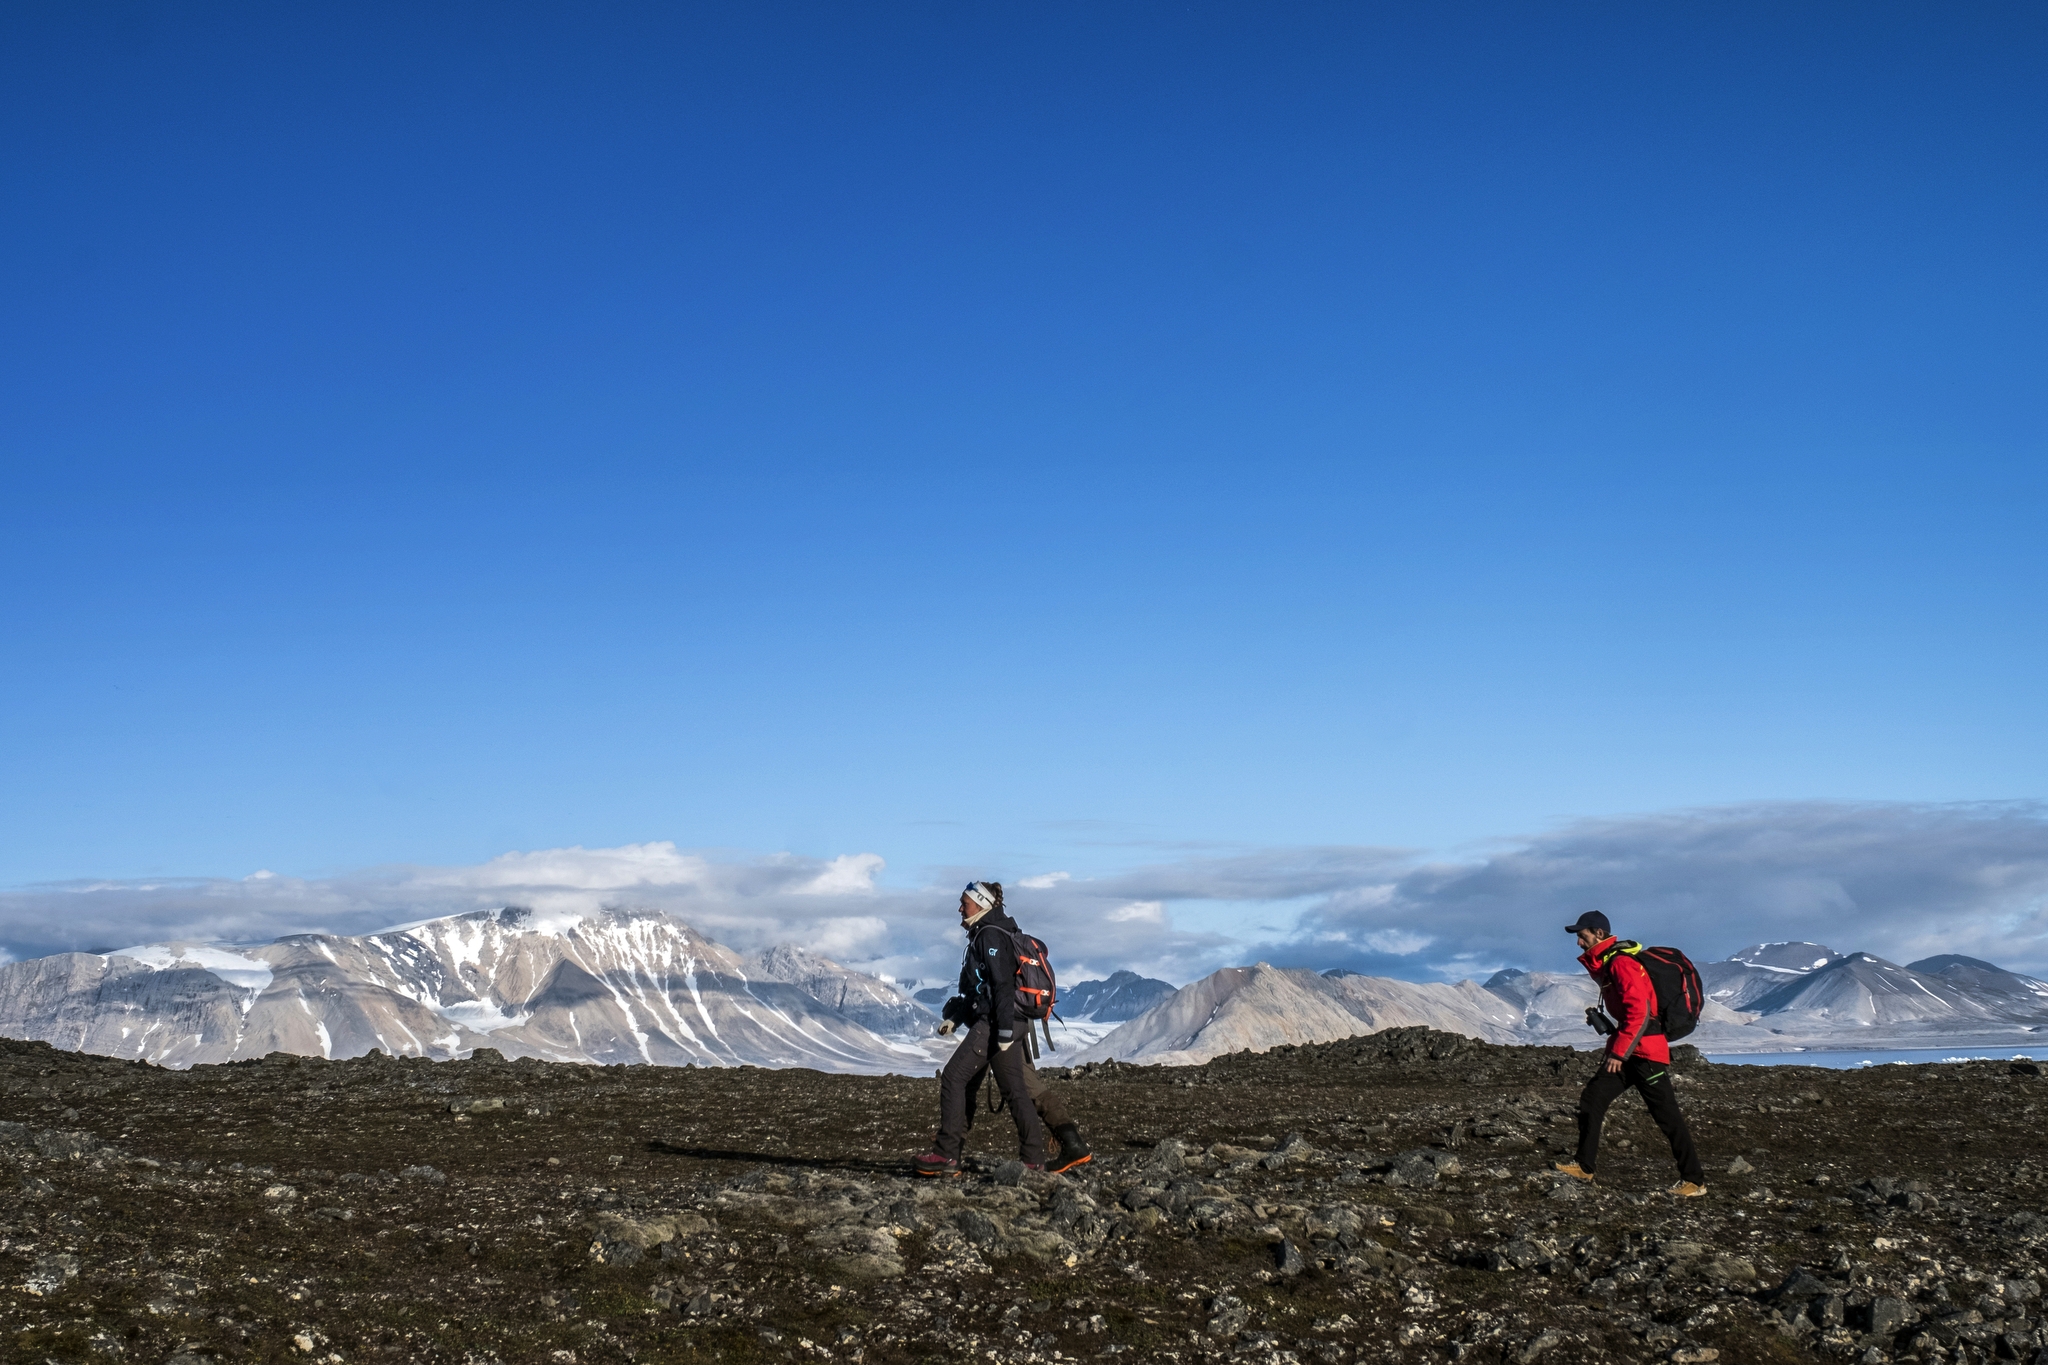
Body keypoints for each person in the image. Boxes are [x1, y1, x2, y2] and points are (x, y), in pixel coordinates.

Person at [1553, 911, 1708, 1197]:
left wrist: (1618, 1054)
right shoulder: (1612, 964)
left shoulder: (1622, 964)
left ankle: (1694, 1181)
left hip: (1645, 1055)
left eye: (1582, 934)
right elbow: (1632, 1015)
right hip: (1630, 1052)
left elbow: (1640, 1013)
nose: (1578, 941)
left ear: (1599, 933)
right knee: (1593, 1098)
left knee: (1668, 1117)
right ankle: (1584, 1167)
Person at [914, 881, 1055, 1177]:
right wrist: (957, 1018)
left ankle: (946, 1155)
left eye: (964, 902)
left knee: (954, 1078)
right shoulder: (990, 932)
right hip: (1008, 1022)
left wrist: (1002, 1030)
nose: (959, 908)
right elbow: (984, 990)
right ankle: (1034, 1160)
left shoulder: (989, 935)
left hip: (994, 1024)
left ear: (980, 904)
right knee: (1014, 1090)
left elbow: (1001, 985)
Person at [937, 993, 1094, 1174]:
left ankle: (950, 1154)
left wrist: (959, 1018)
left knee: (970, 1085)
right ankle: (1071, 1144)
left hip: (996, 1027)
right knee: (1027, 1089)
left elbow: (986, 991)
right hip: (1006, 1025)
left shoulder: (986, 964)